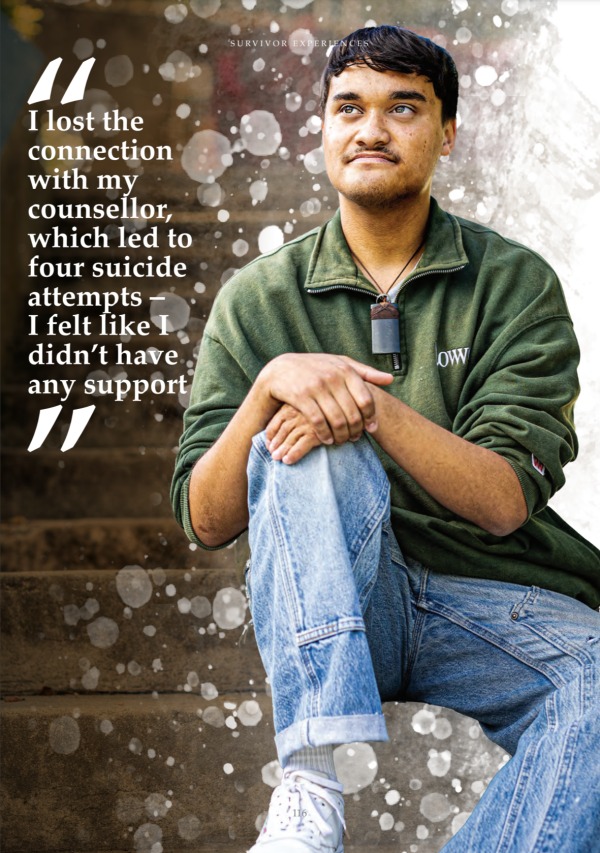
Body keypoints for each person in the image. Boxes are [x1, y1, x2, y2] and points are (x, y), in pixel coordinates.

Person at [171, 25, 600, 853]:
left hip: (483, 593)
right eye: (349, 108)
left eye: (403, 107)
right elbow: (205, 516)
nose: (371, 129)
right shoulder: (257, 297)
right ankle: (310, 779)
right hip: (332, 598)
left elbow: (507, 501)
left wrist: (367, 406)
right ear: (322, 130)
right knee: (303, 431)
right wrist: (268, 389)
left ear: (446, 133)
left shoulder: (513, 283)